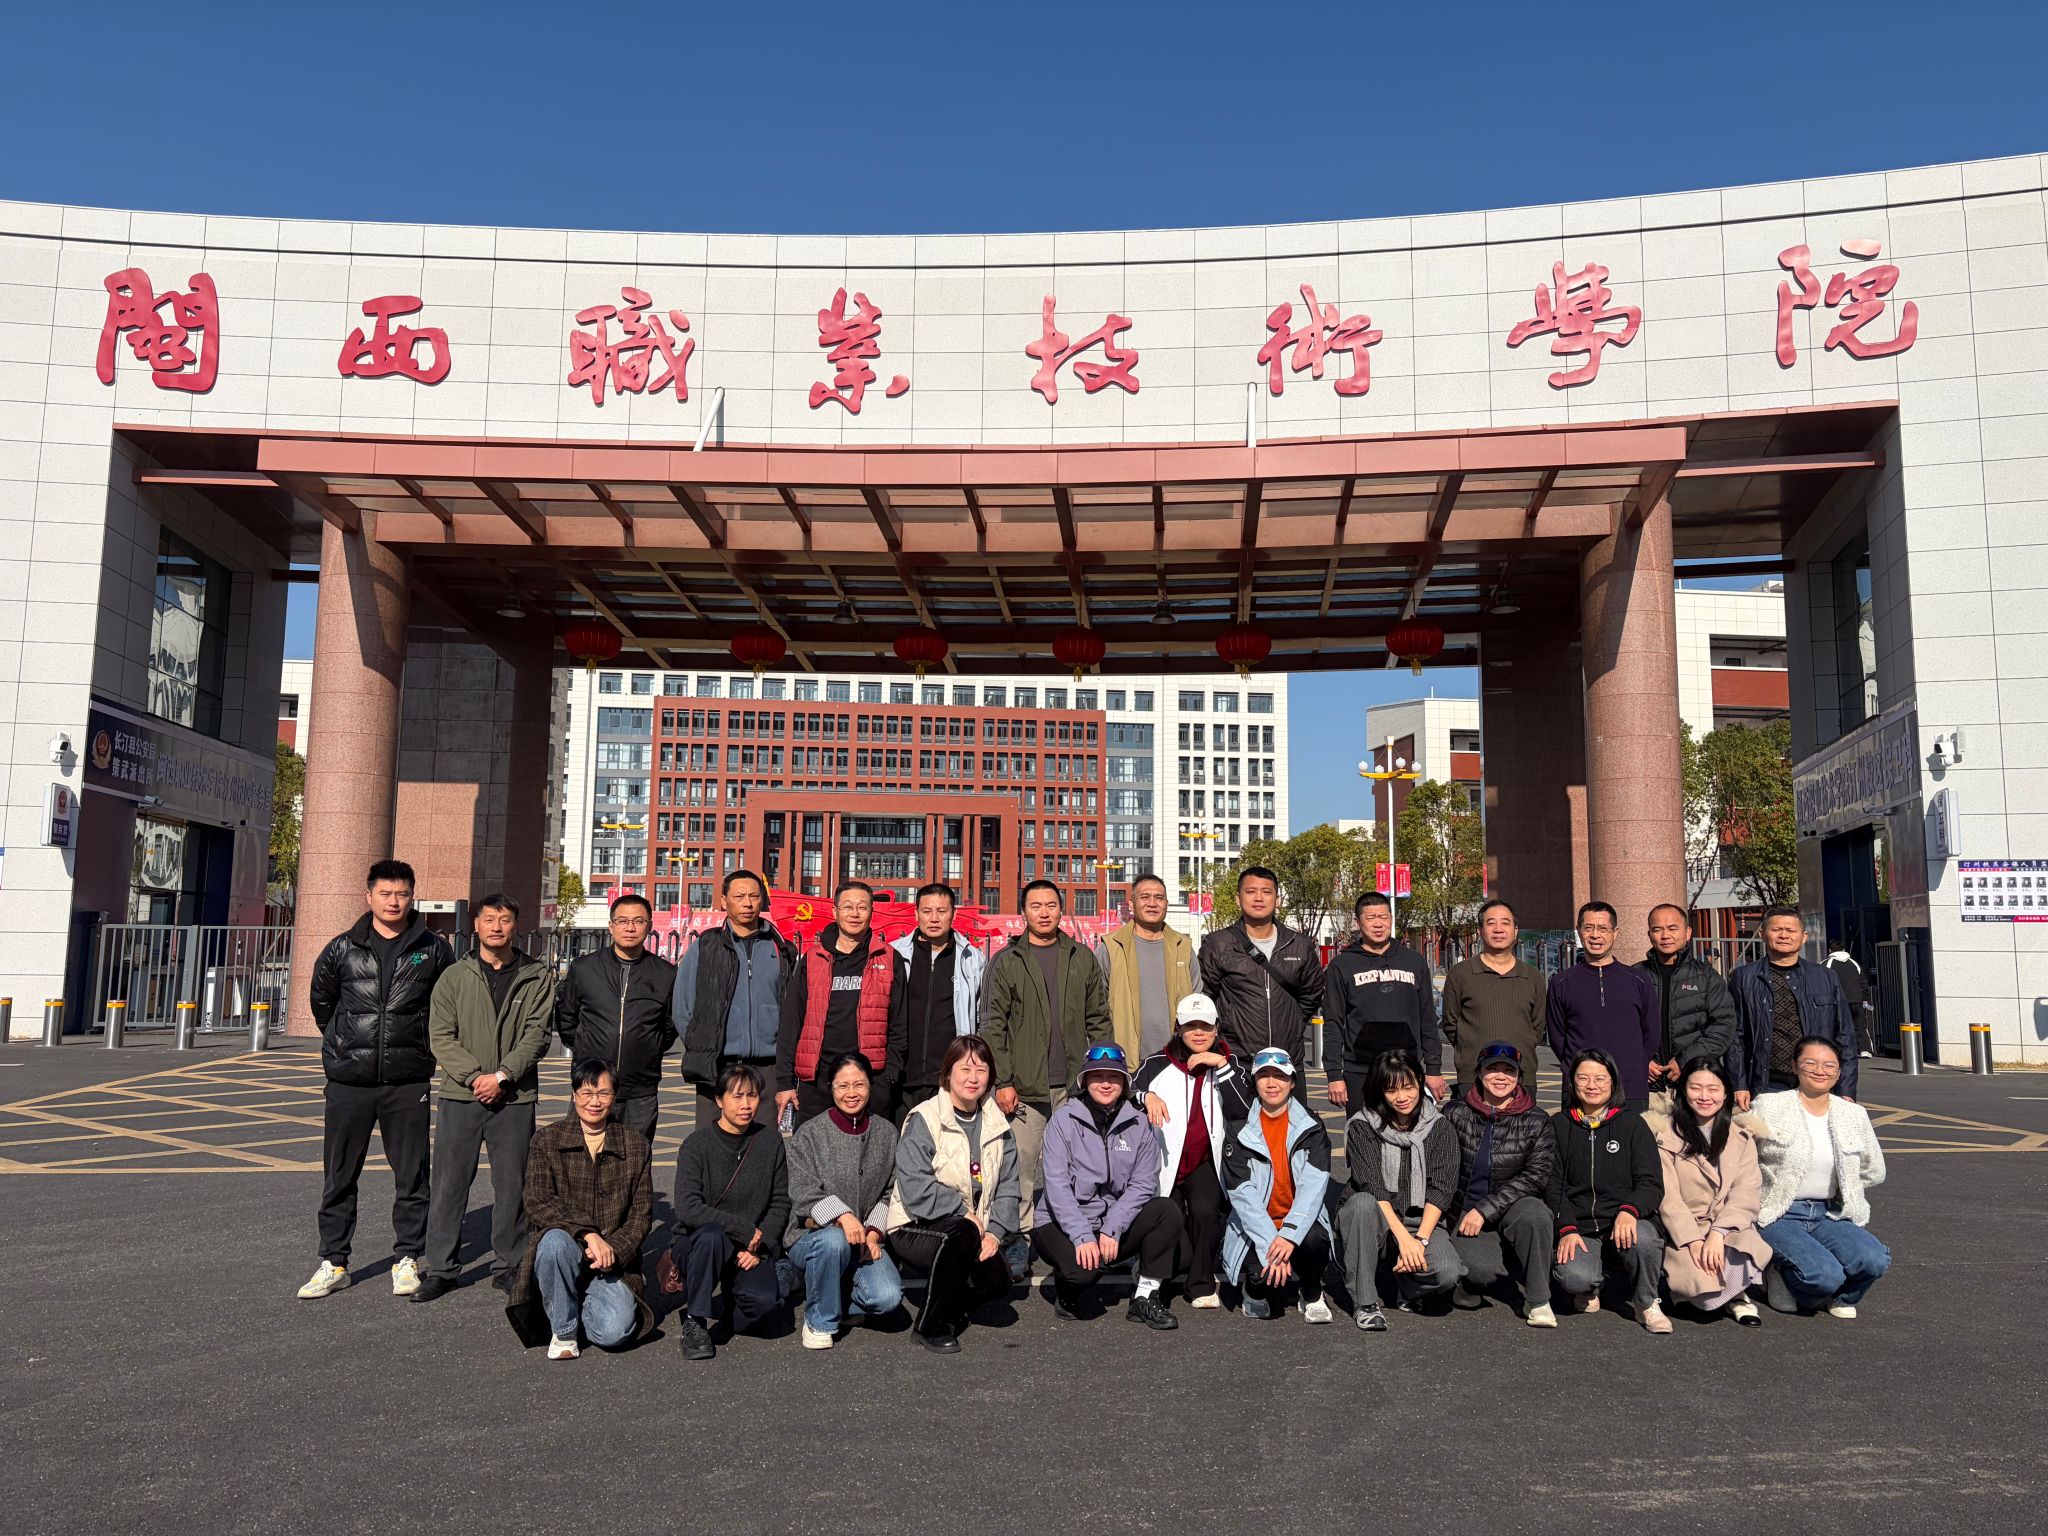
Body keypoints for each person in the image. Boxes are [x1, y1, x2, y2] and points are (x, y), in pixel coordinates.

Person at [299, 859, 454, 1301]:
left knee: (412, 1175)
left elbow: (446, 1005)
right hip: (349, 1080)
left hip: (407, 1081)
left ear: (412, 897)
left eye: (401, 893)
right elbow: (323, 1002)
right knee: (339, 1175)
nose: (393, 901)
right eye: (385, 893)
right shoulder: (342, 948)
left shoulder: (433, 949)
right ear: (368, 896)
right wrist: (345, 1042)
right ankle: (334, 1261)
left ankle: (407, 1258)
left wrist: (423, 1050)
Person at [416, 893, 554, 1304]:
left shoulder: (536, 975)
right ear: (475, 924)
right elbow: (441, 1036)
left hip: (514, 1096)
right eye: (489, 918)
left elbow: (537, 1035)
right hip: (461, 1095)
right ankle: (441, 1268)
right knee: (449, 1183)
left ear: (516, 925)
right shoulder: (453, 977)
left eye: (505, 919)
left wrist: (503, 1076)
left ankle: (509, 1265)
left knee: (513, 1184)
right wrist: (477, 1077)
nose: (496, 926)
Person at [982, 878, 1113, 1278]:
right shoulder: (1008, 961)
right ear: (1024, 912)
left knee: (1079, 1168)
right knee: (1020, 1169)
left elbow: (1098, 1019)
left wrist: (1101, 1074)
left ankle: (1074, 1236)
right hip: (1025, 1088)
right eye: (1035, 906)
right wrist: (1003, 1081)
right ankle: (1018, 1240)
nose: (1044, 912)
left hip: (1074, 1085)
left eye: (1051, 905)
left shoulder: (1081, 957)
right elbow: (993, 1025)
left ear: (1060, 909)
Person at [504, 1062, 655, 1359]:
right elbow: (537, 1200)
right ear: (574, 1095)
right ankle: (564, 1331)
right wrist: (587, 1234)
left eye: (603, 1093)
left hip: (610, 1262)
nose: (594, 1101)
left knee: (615, 1332)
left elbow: (641, 1216)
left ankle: (571, 1300)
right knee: (554, 1243)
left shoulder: (636, 1145)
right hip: (564, 1249)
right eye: (586, 1092)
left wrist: (613, 1250)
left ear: (614, 1097)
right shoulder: (547, 1140)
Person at [1032, 1043, 1184, 1329]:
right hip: (1060, 1221)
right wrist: (1082, 1236)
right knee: (1083, 1273)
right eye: (1097, 1076)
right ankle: (1066, 1290)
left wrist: (1112, 1227)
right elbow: (1056, 1187)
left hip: (1110, 1223)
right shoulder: (1062, 1121)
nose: (1105, 1084)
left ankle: (1145, 1296)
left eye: (1114, 1077)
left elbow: (1143, 1184)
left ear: (1125, 1083)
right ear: (1084, 1080)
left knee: (1166, 1211)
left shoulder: (1139, 1123)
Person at [885, 1035, 1021, 1354]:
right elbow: (916, 1188)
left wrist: (995, 1234)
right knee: (959, 1232)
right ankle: (929, 1324)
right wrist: (964, 1215)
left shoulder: (998, 1124)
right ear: (948, 1074)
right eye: (965, 1069)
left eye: (981, 1070)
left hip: (973, 1229)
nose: (973, 1078)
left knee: (998, 1280)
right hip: (914, 1225)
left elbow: (1009, 1187)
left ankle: (952, 1308)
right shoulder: (925, 1118)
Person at [1751, 1036, 1890, 1318]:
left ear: (1838, 1072)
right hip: (1778, 1213)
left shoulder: (1853, 1114)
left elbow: (1874, 1170)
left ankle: (1838, 1296)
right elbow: (1744, 1160)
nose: (1820, 1071)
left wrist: (1848, 1186)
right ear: (1794, 1066)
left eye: (1829, 1065)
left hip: (1828, 1213)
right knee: (1824, 1275)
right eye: (1810, 1063)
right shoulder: (1768, 1105)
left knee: (1873, 1260)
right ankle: (1781, 1272)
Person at [1132, 993, 1253, 1309]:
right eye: (1190, 1026)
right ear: (1178, 1028)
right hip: (1164, 1161)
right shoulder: (1157, 1063)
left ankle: (1201, 1283)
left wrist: (1221, 1066)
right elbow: (1125, 1092)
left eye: (1205, 1026)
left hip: (1204, 1161)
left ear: (1216, 1028)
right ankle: (1153, 1271)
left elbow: (1242, 1110)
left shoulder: (1230, 1063)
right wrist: (1146, 1096)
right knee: (1171, 1228)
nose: (1198, 1033)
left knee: (1205, 1212)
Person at [781, 1052, 903, 1349]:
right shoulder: (810, 1133)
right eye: (842, 1086)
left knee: (887, 1298)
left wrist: (873, 1232)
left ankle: (830, 1294)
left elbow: (891, 1190)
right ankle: (819, 1322)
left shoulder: (887, 1133)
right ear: (831, 1088)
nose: (851, 1093)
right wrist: (842, 1216)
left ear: (870, 1086)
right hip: (811, 1236)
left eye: (859, 1084)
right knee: (834, 1241)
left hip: (863, 1242)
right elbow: (802, 1191)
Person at [669, 1064, 791, 1361]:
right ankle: (695, 1321)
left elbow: (779, 1202)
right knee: (712, 1236)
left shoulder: (770, 1141)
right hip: (699, 1245)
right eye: (737, 1096)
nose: (746, 1104)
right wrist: (742, 1230)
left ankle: (731, 1301)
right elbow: (688, 1207)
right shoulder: (696, 1145)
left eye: (752, 1096)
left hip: (749, 1248)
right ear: (719, 1100)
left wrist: (760, 1245)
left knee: (766, 1307)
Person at [1339, 1047, 1464, 1330]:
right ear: (1379, 1091)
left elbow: (1442, 1189)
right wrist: (1404, 1240)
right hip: (1376, 1218)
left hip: (1418, 1220)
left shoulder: (1439, 1127)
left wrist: (1419, 1241)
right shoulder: (1363, 1126)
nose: (1402, 1097)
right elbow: (1373, 1186)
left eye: (1408, 1087)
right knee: (1361, 1203)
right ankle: (1365, 1302)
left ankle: (1406, 1284)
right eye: (1391, 1090)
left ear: (1420, 1082)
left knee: (1447, 1272)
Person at [1548, 1048, 1671, 1334]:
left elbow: (1650, 1182)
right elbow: (1552, 1186)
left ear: (1613, 1082)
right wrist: (1566, 1227)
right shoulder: (1559, 1125)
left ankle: (1646, 1301)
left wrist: (1630, 1210)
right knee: (1573, 1278)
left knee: (1644, 1239)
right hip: (1582, 1227)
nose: (1592, 1085)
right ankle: (1593, 1282)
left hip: (1623, 1222)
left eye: (1600, 1079)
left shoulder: (1633, 1125)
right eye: (1583, 1078)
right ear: (1572, 1082)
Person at [1645, 1058, 1769, 1325]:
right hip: (1684, 1228)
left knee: (1745, 1248)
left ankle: (1737, 1296)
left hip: (1727, 1226)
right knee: (1702, 1296)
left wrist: (1718, 1233)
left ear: (1725, 1094)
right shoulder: (1663, 1133)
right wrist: (1693, 1240)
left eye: (1713, 1089)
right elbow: (1668, 1197)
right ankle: (1706, 1289)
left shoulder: (1741, 1136)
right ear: (1682, 1091)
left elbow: (1746, 1191)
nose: (1704, 1096)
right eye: (1695, 1088)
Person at [1443, 1041, 1558, 1327]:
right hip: (1464, 1211)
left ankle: (1538, 1299)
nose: (1501, 1076)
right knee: (1481, 1273)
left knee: (1536, 1214)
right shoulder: (1455, 1112)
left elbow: (1536, 1176)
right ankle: (1472, 1278)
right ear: (1479, 1073)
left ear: (1518, 1076)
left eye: (1509, 1071)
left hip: (1509, 1209)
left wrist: (1485, 1210)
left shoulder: (1537, 1120)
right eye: (1493, 1069)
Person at [675, 869, 795, 1130]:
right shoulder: (706, 947)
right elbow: (682, 1008)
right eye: (739, 896)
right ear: (723, 901)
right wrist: (703, 1045)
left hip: (768, 1068)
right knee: (711, 1142)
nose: (747, 903)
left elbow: (792, 1007)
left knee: (763, 1143)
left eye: (754, 896)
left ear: (763, 900)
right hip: (717, 1065)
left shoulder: (781, 948)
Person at [1222, 1047, 1334, 1323]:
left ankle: (1311, 1292)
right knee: (1260, 1274)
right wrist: (1270, 1244)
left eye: (1280, 1076)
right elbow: (1242, 1195)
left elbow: (1313, 1188)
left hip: (1298, 1220)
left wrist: (1288, 1236)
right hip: (1256, 1224)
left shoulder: (1312, 1126)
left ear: (1292, 1082)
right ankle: (1254, 1292)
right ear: (1254, 1081)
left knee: (1315, 1240)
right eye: (1264, 1076)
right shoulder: (1238, 1129)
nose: (1272, 1083)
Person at [555, 892, 678, 1142]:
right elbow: (567, 1019)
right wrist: (585, 1048)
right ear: (611, 926)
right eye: (622, 921)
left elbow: (668, 1026)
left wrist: (649, 1049)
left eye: (638, 921)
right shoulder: (585, 968)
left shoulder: (665, 974)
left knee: (634, 1157)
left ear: (649, 926)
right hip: (591, 1085)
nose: (630, 928)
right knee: (581, 1157)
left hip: (640, 1089)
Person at [776, 881, 896, 1129]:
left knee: (870, 1150)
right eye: (848, 907)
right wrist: (785, 1082)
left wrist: (888, 1079)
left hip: (869, 1080)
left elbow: (899, 1025)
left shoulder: (889, 959)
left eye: (862, 907)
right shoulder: (813, 958)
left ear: (872, 912)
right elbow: (791, 1021)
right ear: (835, 911)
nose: (855, 914)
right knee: (812, 1148)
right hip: (817, 1081)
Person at [1198, 866, 1325, 1102]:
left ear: (1278, 900)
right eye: (1251, 891)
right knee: (1237, 1125)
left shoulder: (1299, 944)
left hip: (1286, 1061)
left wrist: (1294, 1023)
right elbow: (1205, 997)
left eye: (1266, 892)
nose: (1258, 898)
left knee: (1291, 1125)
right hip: (1237, 1060)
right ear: (1238, 898)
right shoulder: (1219, 944)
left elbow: (1312, 992)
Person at [1323, 891, 1443, 1111]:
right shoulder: (1342, 965)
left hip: (1406, 1069)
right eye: (1370, 918)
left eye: (1383, 917)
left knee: (1408, 1131)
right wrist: (1333, 1074)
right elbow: (1333, 1023)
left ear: (1391, 919)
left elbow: (1427, 1018)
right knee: (1362, 1131)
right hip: (1360, 1070)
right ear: (1358, 922)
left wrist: (1433, 1069)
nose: (1378, 924)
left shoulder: (1414, 962)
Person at [1730, 906, 1859, 1109]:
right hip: (1766, 1084)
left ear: (1804, 936)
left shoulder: (1825, 977)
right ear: (1762, 934)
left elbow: (1845, 1036)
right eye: (1776, 929)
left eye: (1791, 930)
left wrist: (1846, 1089)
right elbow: (1735, 1037)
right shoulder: (1743, 977)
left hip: (1818, 1081)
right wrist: (1739, 1084)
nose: (1784, 935)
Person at [1546, 901, 1660, 1108]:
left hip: (1630, 1088)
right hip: (1580, 1089)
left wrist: (1636, 1066)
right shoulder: (1561, 983)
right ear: (1579, 931)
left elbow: (1651, 1033)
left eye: (1603, 929)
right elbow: (1557, 1037)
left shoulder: (1638, 980)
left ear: (1615, 933)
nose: (1595, 935)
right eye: (1588, 928)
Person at [889, 882, 988, 1122]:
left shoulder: (972, 958)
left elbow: (980, 1017)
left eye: (942, 911)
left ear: (953, 914)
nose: (934, 918)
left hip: (949, 1080)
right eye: (927, 911)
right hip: (901, 1078)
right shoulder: (894, 955)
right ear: (916, 914)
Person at [1439, 899, 1545, 1091]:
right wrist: (1470, 1048)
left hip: (1521, 1076)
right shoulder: (1461, 974)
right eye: (1491, 923)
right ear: (1480, 931)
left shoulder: (1532, 977)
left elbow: (1536, 1027)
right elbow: (1450, 1024)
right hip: (1473, 1077)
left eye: (1505, 923)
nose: (1498, 929)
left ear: (1515, 931)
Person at [1637, 903, 1738, 1093]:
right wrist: (1639, 1058)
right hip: (1645, 1086)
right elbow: (1620, 1026)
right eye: (1657, 929)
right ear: (1649, 934)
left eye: (1672, 928)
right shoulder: (1635, 976)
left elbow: (1724, 1025)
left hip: (1695, 1084)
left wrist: (1686, 1060)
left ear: (1688, 932)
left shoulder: (1707, 977)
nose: (1665, 935)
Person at [1097, 873, 1197, 1064]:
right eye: (1145, 897)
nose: (1152, 903)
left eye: (1159, 898)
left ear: (1166, 904)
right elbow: (1096, 1010)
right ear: (1131, 904)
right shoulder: (1111, 948)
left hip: (1177, 1061)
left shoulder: (1183, 948)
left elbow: (1196, 1002)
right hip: (1125, 1061)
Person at [1825, 939, 1877, 1058]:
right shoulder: (1855, 964)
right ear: (1844, 950)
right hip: (1856, 1000)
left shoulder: (1826, 964)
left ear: (1829, 950)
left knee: (1837, 1026)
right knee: (1860, 1025)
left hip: (1837, 1001)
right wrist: (1866, 1002)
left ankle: (1839, 1050)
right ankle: (1864, 1049)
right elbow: (1863, 984)